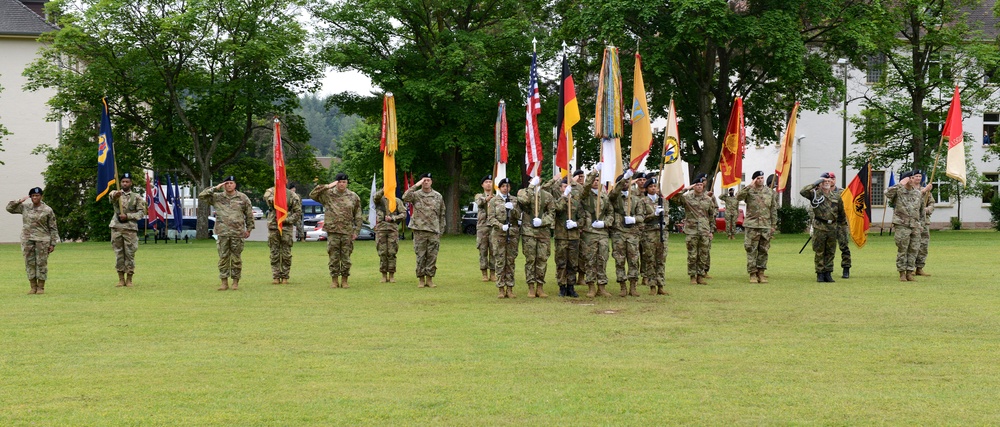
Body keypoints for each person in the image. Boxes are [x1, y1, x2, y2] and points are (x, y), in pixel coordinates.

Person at [198, 176, 254, 290]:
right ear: (224, 185)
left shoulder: (242, 197)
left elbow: (249, 214)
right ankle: (224, 282)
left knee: (236, 258)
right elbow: (202, 196)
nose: (229, 185)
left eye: (231, 183)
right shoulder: (217, 197)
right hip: (222, 232)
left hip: (237, 232)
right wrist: (215, 188)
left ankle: (235, 282)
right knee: (223, 257)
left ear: (235, 185)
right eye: (227, 183)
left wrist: (249, 229)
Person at [310, 173, 363, 288]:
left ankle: (344, 280)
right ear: (336, 182)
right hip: (333, 231)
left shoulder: (353, 196)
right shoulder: (328, 194)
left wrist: (356, 231)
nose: (341, 184)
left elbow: (358, 215)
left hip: (347, 232)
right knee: (333, 257)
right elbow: (313, 194)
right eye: (339, 182)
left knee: (346, 257)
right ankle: (334, 280)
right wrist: (327, 186)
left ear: (347, 183)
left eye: (344, 182)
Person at [8, 187, 58, 294]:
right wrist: (19, 201)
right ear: (30, 197)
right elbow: (9, 208)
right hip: (27, 240)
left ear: (41, 196)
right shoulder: (25, 207)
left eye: (37, 195)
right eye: (33, 196)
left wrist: (53, 243)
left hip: (42, 240)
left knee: (41, 263)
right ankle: (33, 287)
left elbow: (53, 227)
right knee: (29, 263)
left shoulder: (47, 210)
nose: (35, 197)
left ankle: (41, 287)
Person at [885, 170, 932, 281]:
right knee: (903, 249)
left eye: (913, 178)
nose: (913, 180)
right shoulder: (899, 191)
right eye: (910, 178)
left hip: (915, 226)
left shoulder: (917, 193)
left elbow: (921, 211)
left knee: (914, 249)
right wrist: (900, 184)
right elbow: (887, 193)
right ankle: (902, 273)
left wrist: (921, 224)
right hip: (902, 225)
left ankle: (910, 272)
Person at [403, 173, 446, 288]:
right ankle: (421, 279)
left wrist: (441, 230)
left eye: (428, 180)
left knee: (432, 256)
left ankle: (430, 279)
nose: (426, 182)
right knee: (420, 256)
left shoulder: (438, 196)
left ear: (431, 182)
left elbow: (442, 214)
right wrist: (415, 185)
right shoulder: (416, 195)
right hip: (419, 230)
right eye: (424, 180)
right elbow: (405, 197)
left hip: (433, 231)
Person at [800, 172, 845, 283]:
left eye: (829, 181)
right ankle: (820, 273)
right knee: (819, 251)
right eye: (824, 181)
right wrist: (816, 183)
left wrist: (842, 226)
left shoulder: (836, 196)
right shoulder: (815, 194)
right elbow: (803, 192)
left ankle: (828, 273)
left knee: (830, 251)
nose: (827, 183)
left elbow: (841, 212)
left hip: (832, 227)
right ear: (820, 183)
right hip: (820, 226)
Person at [609, 170, 647, 297]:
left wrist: (634, 219)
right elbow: (614, 192)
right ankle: (622, 286)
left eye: (627, 182)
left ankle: (633, 286)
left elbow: (642, 216)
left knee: (633, 261)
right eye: (623, 182)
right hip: (618, 233)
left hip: (632, 234)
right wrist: (624, 178)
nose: (625, 184)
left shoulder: (636, 200)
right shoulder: (614, 198)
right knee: (619, 261)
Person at [736, 171, 777, 283]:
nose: (760, 180)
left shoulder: (769, 192)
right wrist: (749, 185)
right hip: (752, 225)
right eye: (758, 178)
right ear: (754, 179)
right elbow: (738, 197)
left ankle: (761, 272)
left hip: (765, 225)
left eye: (761, 178)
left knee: (764, 250)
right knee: (751, 249)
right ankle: (752, 273)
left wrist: (773, 225)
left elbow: (773, 209)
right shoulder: (749, 191)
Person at [517, 176, 555, 298]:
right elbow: (523, 201)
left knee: (542, 259)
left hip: (543, 233)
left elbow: (552, 213)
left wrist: (543, 221)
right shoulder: (523, 192)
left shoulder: (547, 196)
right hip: (529, 232)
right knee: (530, 260)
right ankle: (531, 287)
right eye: (533, 179)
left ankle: (540, 286)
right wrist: (531, 187)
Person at [546, 176, 583, 297]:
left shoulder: (576, 202)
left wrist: (576, 224)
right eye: (564, 186)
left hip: (574, 237)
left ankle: (571, 286)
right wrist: (563, 197)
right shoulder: (557, 200)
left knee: (573, 263)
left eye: (569, 186)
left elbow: (583, 218)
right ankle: (562, 286)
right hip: (561, 237)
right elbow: (557, 208)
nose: (567, 188)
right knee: (561, 263)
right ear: (561, 188)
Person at [108, 173, 147, 287]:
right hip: (116, 228)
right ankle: (120, 278)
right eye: (123, 181)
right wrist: (116, 195)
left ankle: (129, 278)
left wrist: (128, 216)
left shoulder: (137, 197)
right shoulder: (116, 193)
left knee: (130, 254)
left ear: (131, 183)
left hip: (130, 229)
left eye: (127, 181)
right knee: (119, 253)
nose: (125, 183)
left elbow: (141, 213)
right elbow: (111, 197)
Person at [581, 166, 614, 297]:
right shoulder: (586, 195)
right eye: (594, 179)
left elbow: (611, 214)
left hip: (602, 233)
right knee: (590, 260)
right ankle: (591, 287)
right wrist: (594, 171)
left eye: (598, 179)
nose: (595, 181)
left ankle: (602, 287)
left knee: (602, 259)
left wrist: (605, 223)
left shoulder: (604, 197)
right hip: (589, 233)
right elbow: (587, 183)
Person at [263, 183, 302, 284]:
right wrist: (279, 197)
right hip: (273, 226)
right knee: (274, 253)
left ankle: (285, 276)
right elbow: (268, 199)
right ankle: (276, 276)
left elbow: (298, 212)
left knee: (286, 253)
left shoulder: (292, 195)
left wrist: (287, 220)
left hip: (286, 227)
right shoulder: (270, 191)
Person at [680, 174, 715, 285]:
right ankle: (692, 276)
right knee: (692, 255)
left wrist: (711, 231)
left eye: (701, 185)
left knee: (703, 254)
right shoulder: (687, 198)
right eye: (697, 185)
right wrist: (687, 188)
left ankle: (700, 275)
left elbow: (711, 216)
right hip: (691, 230)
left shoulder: (708, 199)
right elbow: (675, 196)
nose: (699, 187)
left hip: (704, 230)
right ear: (694, 186)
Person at [489, 178, 521, 298]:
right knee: (500, 261)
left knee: (510, 261)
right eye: (503, 186)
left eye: (507, 186)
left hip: (512, 233)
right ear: (499, 188)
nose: (505, 188)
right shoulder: (494, 201)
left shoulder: (514, 200)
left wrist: (513, 209)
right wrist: (501, 226)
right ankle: (501, 288)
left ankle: (510, 288)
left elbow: (519, 216)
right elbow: (491, 218)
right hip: (499, 234)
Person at [639, 178, 668, 295]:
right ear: (646, 189)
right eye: (651, 186)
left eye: (655, 186)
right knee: (650, 260)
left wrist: (664, 222)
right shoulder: (643, 201)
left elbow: (667, 215)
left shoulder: (663, 201)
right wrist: (653, 214)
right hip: (649, 233)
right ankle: (652, 286)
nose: (653, 188)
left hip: (661, 232)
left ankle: (661, 285)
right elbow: (641, 217)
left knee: (661, 260)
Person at [373, 185, 406, 283]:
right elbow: (375, 197)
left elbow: (404, 214)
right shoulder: (380, 200)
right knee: (382, 253)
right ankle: (383, 275)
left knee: (392, 252)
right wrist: (384, 189)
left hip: (392, 230)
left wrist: (393, 218)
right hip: (381, 230)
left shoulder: (397, 201)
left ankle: (391, 274)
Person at [474, 175, 496, 282]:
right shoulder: (479, 196)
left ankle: (493, 272)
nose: (488, 184)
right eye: (486, 182)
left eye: (490, 182)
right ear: (482, 185)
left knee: (493, 250)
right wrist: (486, 199)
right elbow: (479, 202)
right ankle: (484, 273)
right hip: (482, 227)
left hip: (493, 227)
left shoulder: (497, 197)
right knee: (483, 250)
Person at [915, 190, 935, 276]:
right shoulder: (909, 190)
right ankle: (910, 268)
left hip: (924, 222)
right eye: (916, 176)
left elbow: (932, 204)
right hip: (913, 221)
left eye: (920, 176)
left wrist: (928, 209)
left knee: (923, 245)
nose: (918, 178)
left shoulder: (927, 191)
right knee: (912, 245)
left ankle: (919, 267)